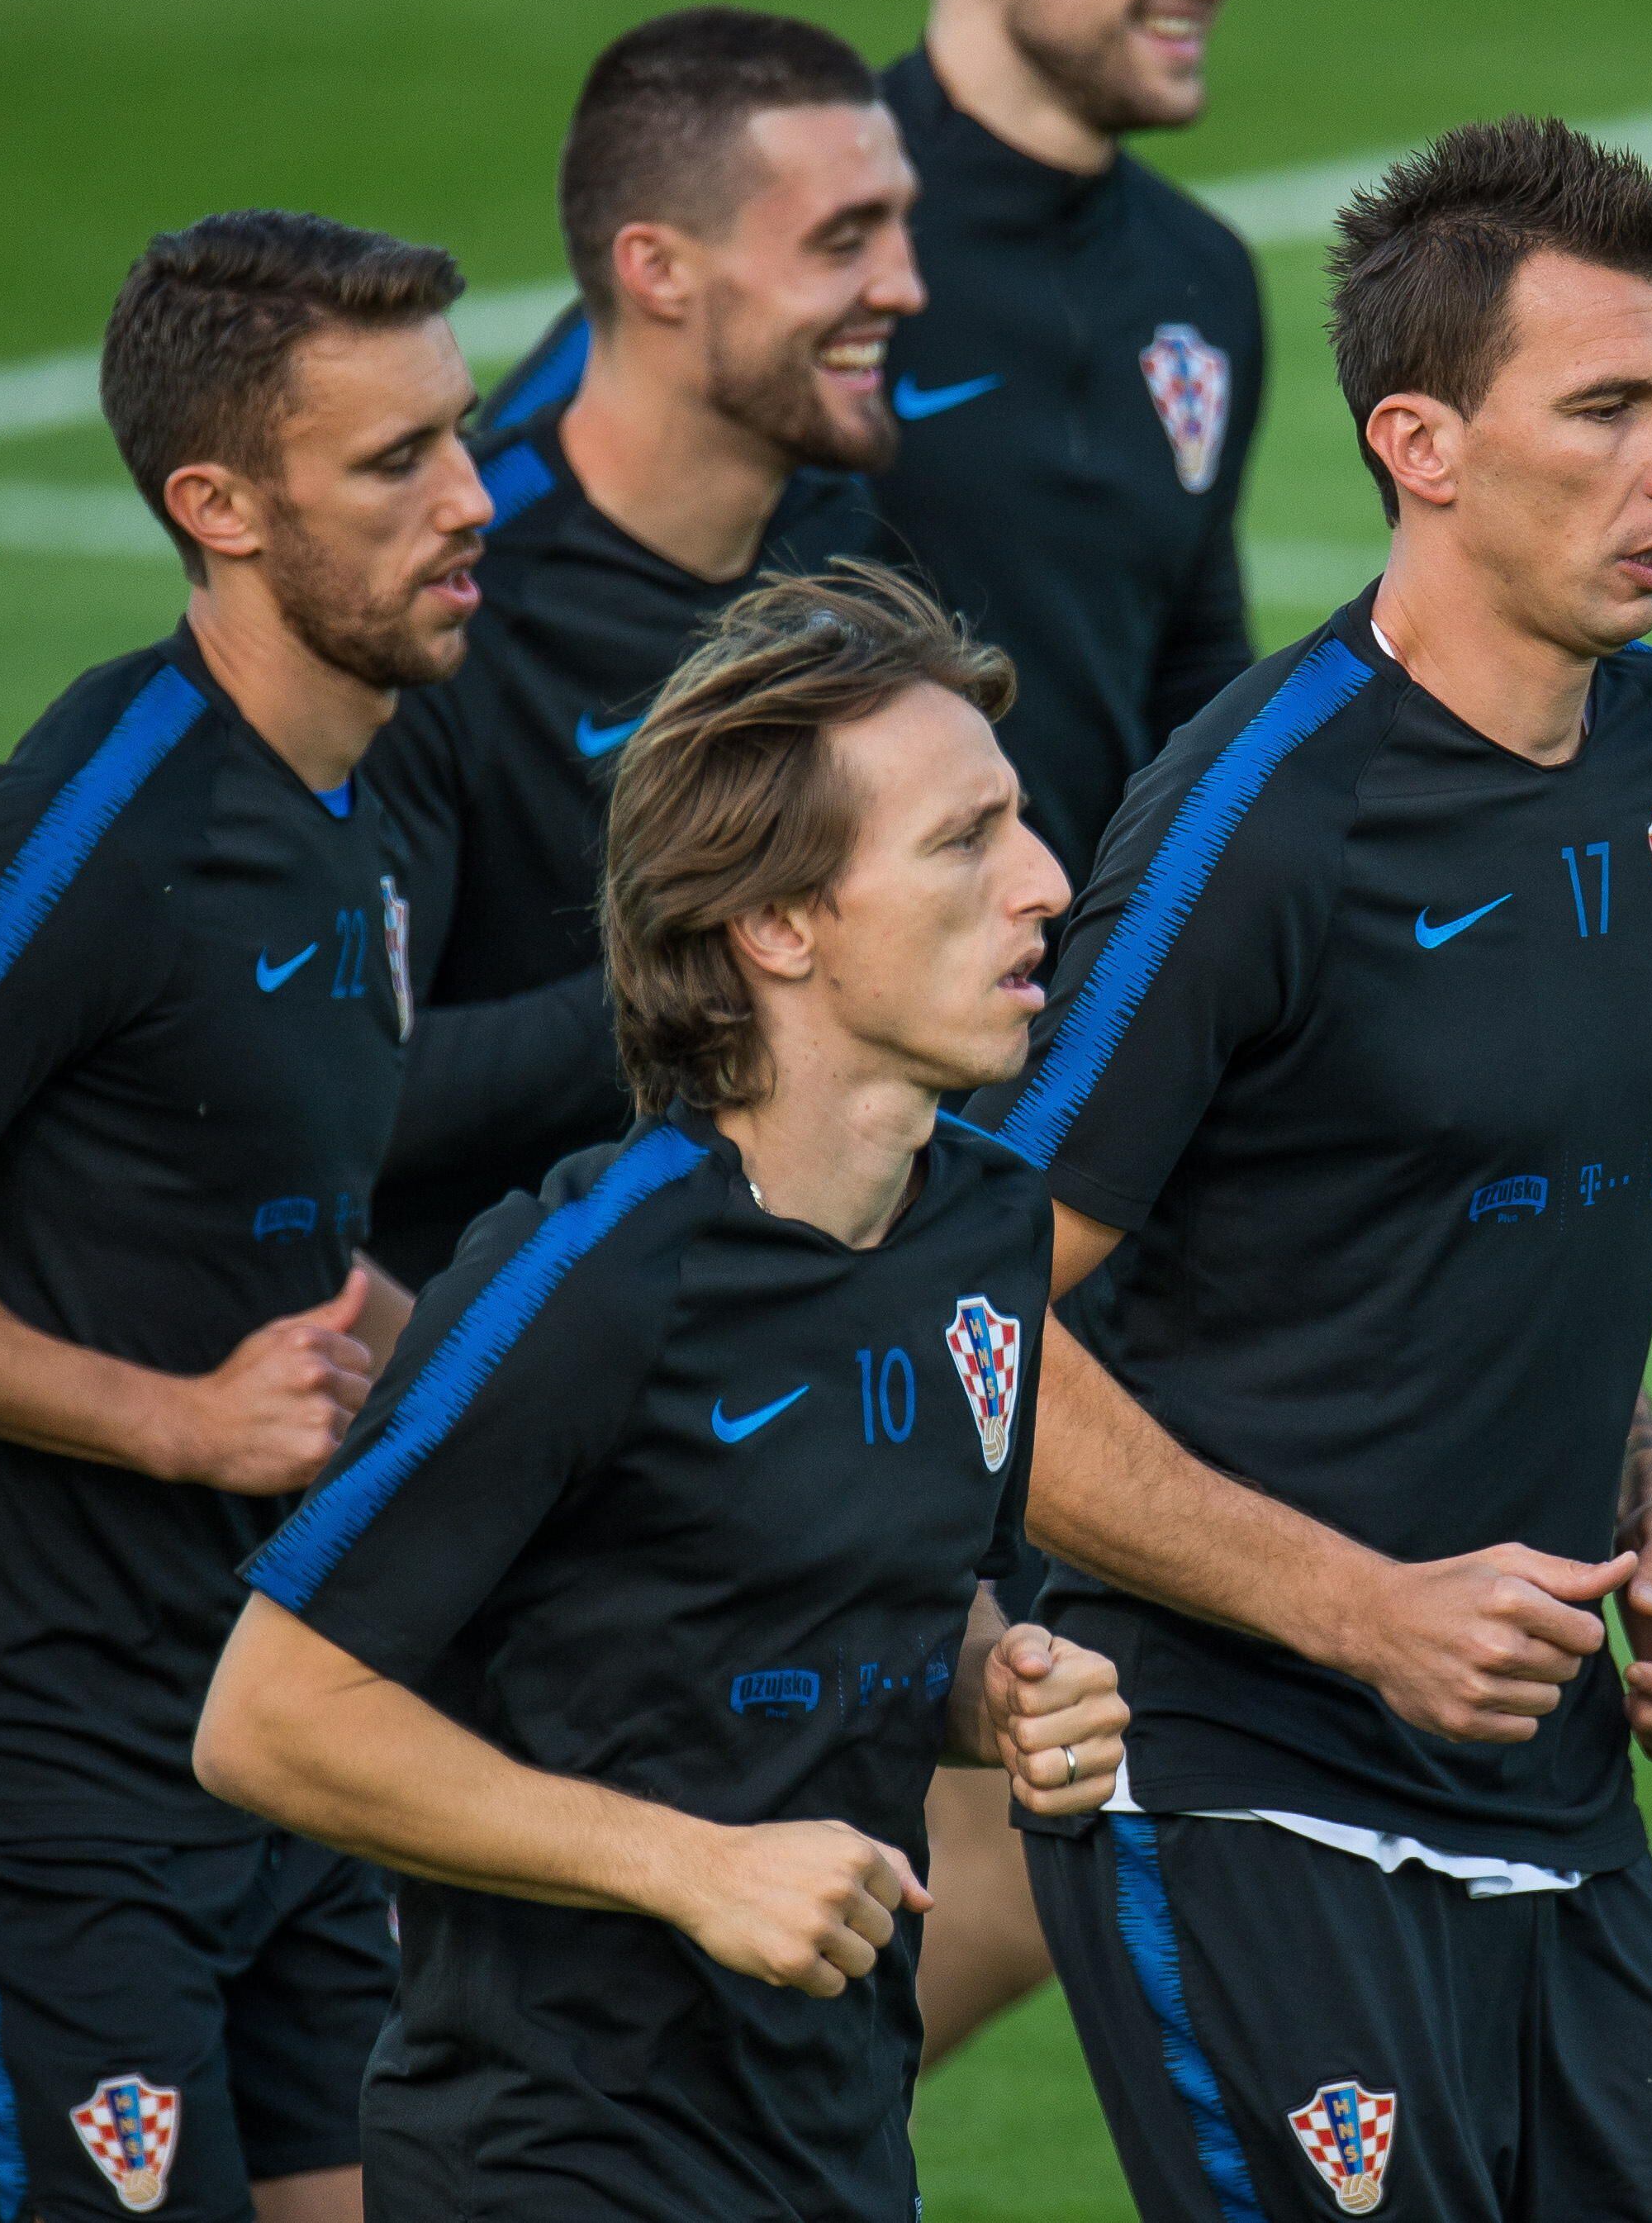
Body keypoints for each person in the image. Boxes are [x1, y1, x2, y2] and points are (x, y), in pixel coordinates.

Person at [477, 0, 1264, 2058]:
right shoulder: (794, 274)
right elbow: (568, 561)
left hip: (1027, 1124)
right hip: (792, 1205)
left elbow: (1186, 728)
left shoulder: (1196, 288)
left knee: (1066, 1771)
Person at [974, 116, 1652, 2222]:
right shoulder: (1254, 832)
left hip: (1539, 1765)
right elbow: (953, 1309)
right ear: (1422, 440)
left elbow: (1507, 1198)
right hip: (1241, 1781)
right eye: (1610, 408)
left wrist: (1641, 1489)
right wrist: (1359, 1609)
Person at [0, 211, 490, 2223]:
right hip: (30, 1763)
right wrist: (172, 1419)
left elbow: (278, 1246)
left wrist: (516, 1383)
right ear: (217, 507)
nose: (471, 501)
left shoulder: (377, 795)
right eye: (394, 463)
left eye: (459, 437)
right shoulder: (105, 822)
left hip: (266, 1719)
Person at [191, 572, 1129, 2223]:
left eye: (1024, 825)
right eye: (965, 842)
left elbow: (865, 1596)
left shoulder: (982, 1230)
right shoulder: (580, 1283)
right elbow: (268, 1720)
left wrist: (996, 1687)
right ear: (778, 927)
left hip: (830, 2141)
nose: (1048, 883)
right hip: (555, 2159)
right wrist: (689, 1863)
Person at [481, 0, 1260, 891]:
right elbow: (506, 528)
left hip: (1059, 1014)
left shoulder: (1200, 278)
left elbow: (1191, 669)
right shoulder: (797, 248)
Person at [367, 6, 918, 1291]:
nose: (903, 285)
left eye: (898, 226)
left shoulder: (844, 535)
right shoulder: (443, 607)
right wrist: (731, 976)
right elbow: (342, 1091)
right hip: (508, 1374)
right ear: (658, 270)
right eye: (843, 240)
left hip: (773, 1348)